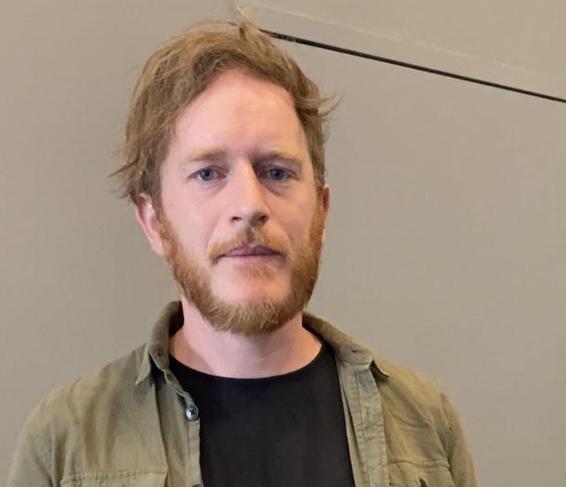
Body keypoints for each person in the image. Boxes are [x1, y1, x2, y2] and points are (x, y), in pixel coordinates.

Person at [8, 19, 477, 487]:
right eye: (209, 174)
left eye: (276, 172)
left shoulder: (426, 424)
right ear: (154, 221)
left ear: (321, 209)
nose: (249, 205)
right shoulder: (66, 443)